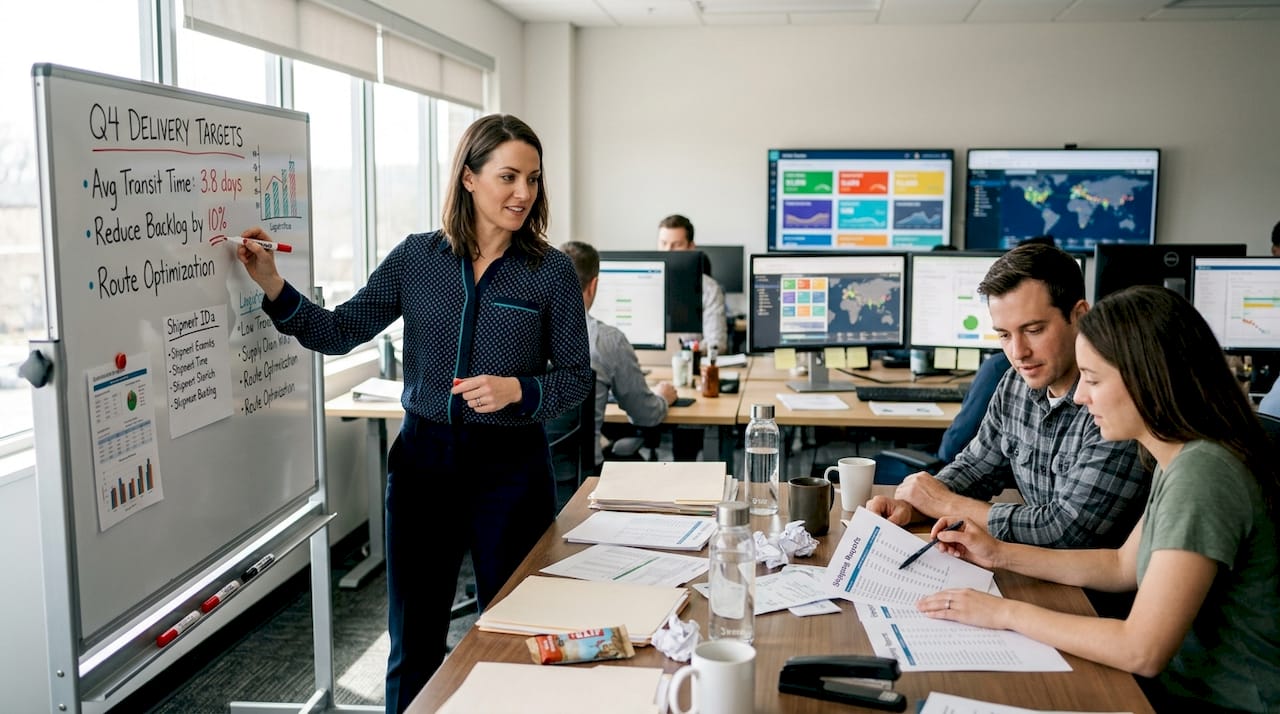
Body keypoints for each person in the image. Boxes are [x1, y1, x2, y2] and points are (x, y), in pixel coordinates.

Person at [233, 114, 592, 712]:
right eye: (508, 176)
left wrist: (519, 392)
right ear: (470, 178)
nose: (523, 193)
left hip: (511, 471)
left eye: (532, 178)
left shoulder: (550, 269)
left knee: (510, 631)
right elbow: (339, 329)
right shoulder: (417, 259)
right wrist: (274, 284)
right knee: (414, 640)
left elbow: (575, 377)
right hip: (426, 464)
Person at [919, 285, 1280, 711]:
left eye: (1092, 380)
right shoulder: (1180, 453)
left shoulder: (1203, 474)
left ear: (1148, 379)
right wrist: (997, 554)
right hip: (1180, 688)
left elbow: (1140, 650)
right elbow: (1121, 565)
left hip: (1218, 703)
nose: (1081, 397)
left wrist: (1004, 614)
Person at [867, 243, 1147, 547]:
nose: (1018, 352)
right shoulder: (1015, 383)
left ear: (1079, 315)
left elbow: (1067, 530)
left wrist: (945, 504)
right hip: (1037, 570)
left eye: (1034, 330)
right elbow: (977, 469)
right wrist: (914, 507)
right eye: (1004, 334)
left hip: (1091, 588)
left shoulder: (1114, 399)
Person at [560, 240, 678, 467]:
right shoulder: (607, 340)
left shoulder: (520, 335)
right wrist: (663, 397)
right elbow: (645, 415)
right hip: (584, 485)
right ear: (593, 285)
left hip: (528, 486)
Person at [657, 214, 727, 354]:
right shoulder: (642, 280)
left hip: (689, 363)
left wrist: (685, 351)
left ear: (691, 247)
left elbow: (717, 343)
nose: (668, 251)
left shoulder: (709, 289)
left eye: (676, 245)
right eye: (663, 243)